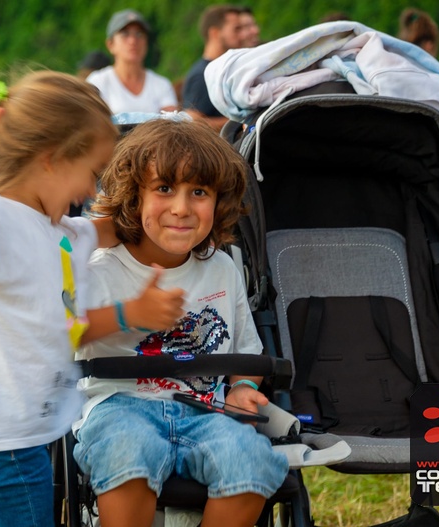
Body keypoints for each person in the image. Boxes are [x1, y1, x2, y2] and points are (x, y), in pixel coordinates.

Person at [0, 70, 184, 526]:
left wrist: (164, 197)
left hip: (34, 423)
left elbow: (115, 231)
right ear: (51, 159)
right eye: (90, 173)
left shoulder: (61, 232)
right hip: (2, 435)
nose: (92, 190)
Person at [73, 118, 288, 527]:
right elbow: (64, 337)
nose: (181, 208)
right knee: (126, 450)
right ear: (134, 196)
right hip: (119, 406)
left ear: (219, 203)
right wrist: (129, 314)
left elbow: (245, 348)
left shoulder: (221, 269)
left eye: (199, 192)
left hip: (205, 412)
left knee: (253, 459)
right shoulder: (101, 269)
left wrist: (242, 387)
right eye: (164, 188)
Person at [87, 9, 178, 114]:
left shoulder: (162, 85)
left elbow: (170, 125)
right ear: (110, 44)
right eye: (125, 34)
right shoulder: (97, 83)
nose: (133, 41)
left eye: (139, 34)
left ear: (146, 42)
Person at [182, 5, 244, 131]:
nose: (242, 35)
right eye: (236, 29)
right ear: (215, 33)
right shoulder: (201, 75)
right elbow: (192, 123)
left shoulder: (227, 69)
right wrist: (240, 120)